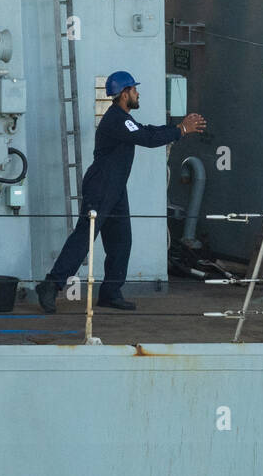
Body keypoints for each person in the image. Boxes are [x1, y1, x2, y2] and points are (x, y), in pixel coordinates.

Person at [35, 70, 206, 312]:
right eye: (134, 90)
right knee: (84, 237)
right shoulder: (117, 118)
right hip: (102, 186)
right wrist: (181, 130)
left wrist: (177, 129)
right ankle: (51, 285)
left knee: (121, 242)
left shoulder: (123, 119)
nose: (138, 94)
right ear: (125, 94)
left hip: (114, 188)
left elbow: (147, 130)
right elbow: (147, 138)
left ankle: (110, 292)